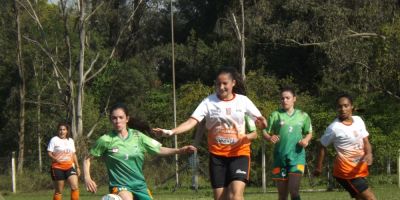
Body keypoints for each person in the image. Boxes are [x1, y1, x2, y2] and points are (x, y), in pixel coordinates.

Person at [153, 67, 267, 200]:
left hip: (239, 153)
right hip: (217, 156)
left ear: (233, 83)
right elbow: (191, 122)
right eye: (218, 84)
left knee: (236, 196)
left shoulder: (243, 101)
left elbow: (261, 121)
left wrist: (262, 123)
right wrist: (171, 131)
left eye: (225, 83)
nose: (221, 87)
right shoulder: (208, 102)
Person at [83, 103, 197, 200]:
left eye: (121, 117)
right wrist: (87, 178)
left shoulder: (138, 136)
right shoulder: (105, 140)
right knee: (126, 198)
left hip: (139, 185)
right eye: (114, 118)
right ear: (110, 120)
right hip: (120, 186)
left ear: (127, 119)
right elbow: (87, 158)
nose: (117, 121)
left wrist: (180, 150)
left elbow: (158, 149)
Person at [314, 94, 376, 200]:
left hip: (359, 169)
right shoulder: (334, 128)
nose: (342, 109)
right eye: (340, 106)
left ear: (352, 106)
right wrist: (319, 167)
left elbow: (366, 141)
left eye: (346, 105)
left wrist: (369, 153)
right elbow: (322, 146)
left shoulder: (358, 120)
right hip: (346, 172)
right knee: (370, 198)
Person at [262, 87, 312, 200]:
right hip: (280, 159)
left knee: (294, 191)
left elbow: (309, 133)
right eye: (282, 98)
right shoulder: (275, 115)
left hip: (297, 158)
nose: (284, 100)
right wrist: (270, 137)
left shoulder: (303, 115)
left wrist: (306, 140)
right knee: (282, 195)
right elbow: (265, 132)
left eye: (287, 98)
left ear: (294, 99)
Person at [47, 122, 80, 200]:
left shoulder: (70, 140)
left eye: (64, 129)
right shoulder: (54, 140)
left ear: (67, 131)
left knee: (75, 186)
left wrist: (78, 167)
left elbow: (73, 154)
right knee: (59, 191)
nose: (62, 131)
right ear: (58, 131)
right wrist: (55, 159)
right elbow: (49, 153)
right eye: (60, 129)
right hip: (57, 167)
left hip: (69, 167)